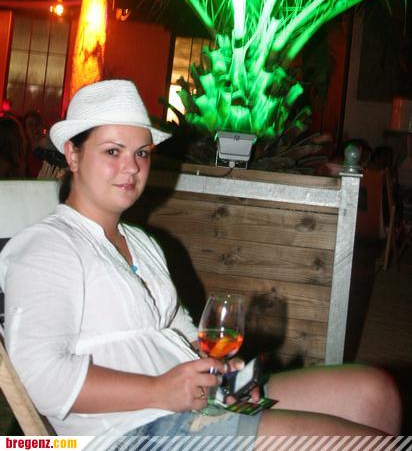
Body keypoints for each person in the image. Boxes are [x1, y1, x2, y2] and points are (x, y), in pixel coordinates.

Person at [0, 80, 402, 446]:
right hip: (131, 430)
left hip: (200, 402)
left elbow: (183, 331)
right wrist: (159, 390)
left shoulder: (141, 242)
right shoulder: (47, 247)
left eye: (142, 153)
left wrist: (224, 373)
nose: (132, 167)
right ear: (72, 154)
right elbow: (41, 378)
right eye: (112, 151)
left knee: (374, 393)